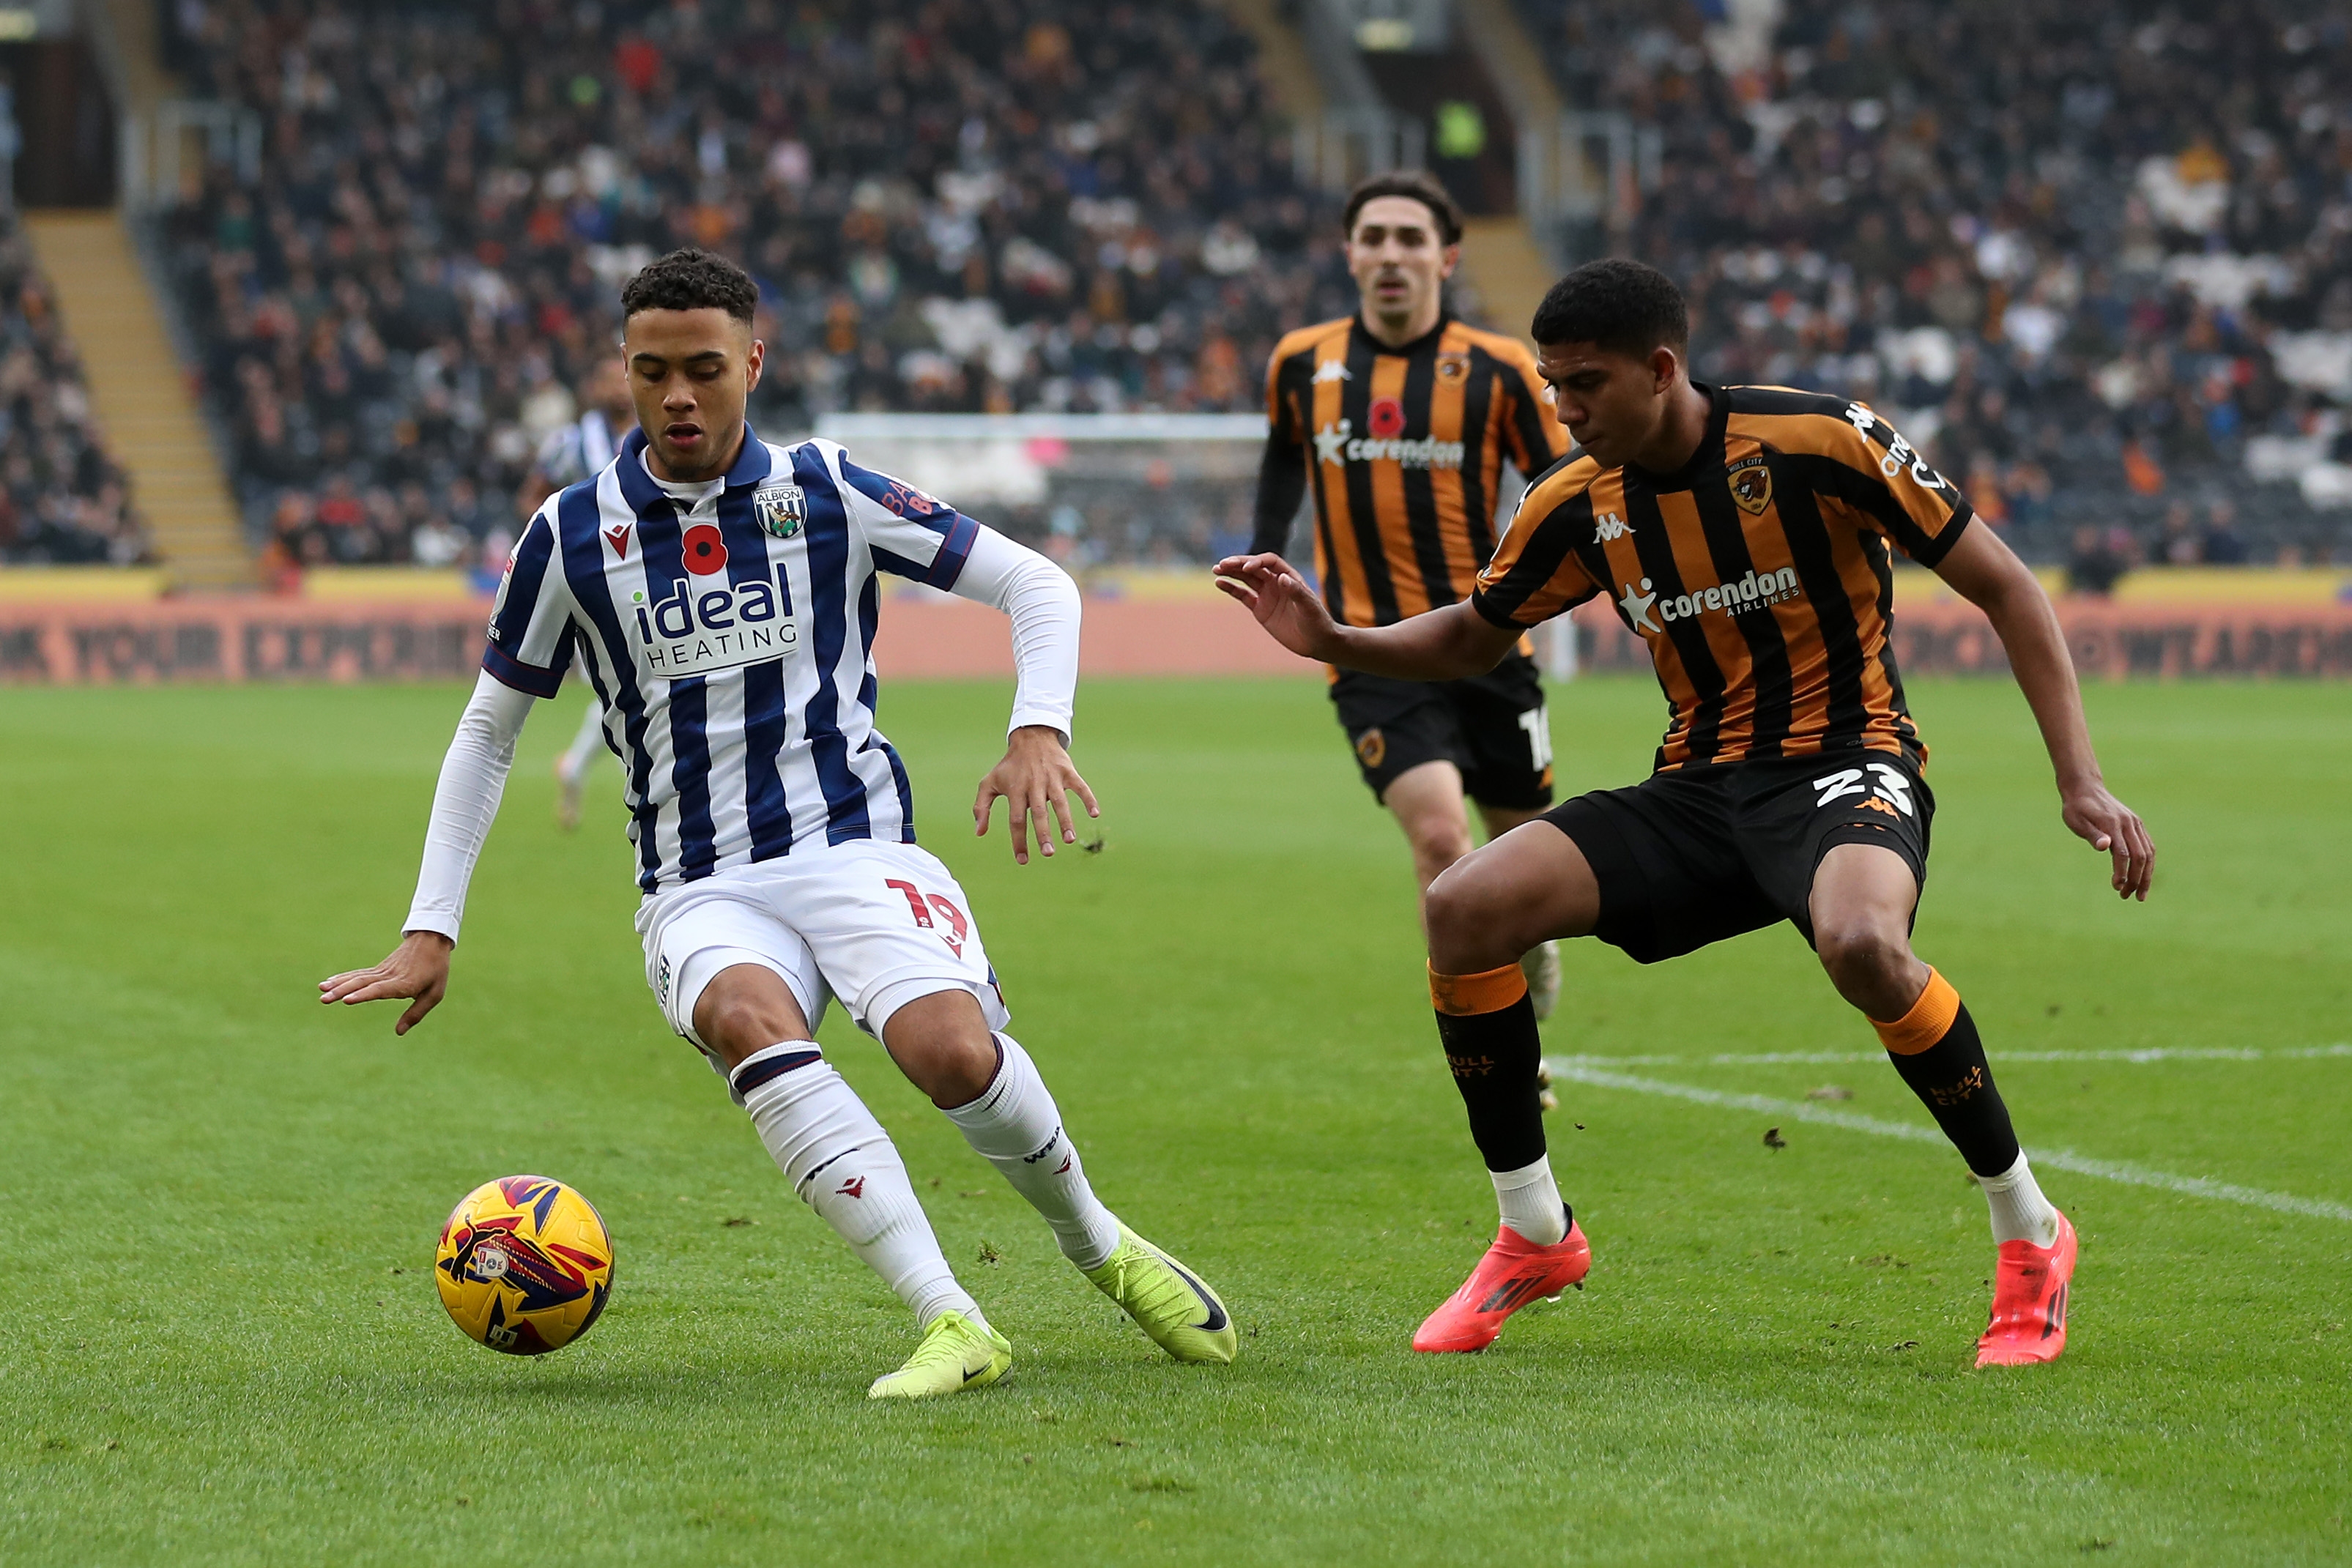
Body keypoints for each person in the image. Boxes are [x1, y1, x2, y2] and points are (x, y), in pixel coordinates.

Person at [322, 248, 1237, 1397]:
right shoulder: (567, 535)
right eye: (651, 372)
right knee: (746, 1019)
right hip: (697, 886)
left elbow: (1036, 584)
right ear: (623, 370)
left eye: (704, 369)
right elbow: (487, 730)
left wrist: (1036, 729)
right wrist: (431, 923)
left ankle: (1096, 1243)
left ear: (754, 361)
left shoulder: (826, 488)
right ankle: (951, 1319)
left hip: (856, 848)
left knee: (949, 1054)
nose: (678, 398)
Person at [1217, 259, 2153, 1367]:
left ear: (1660, 369)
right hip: (1697, 790)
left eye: (1583, 385)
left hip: (1844, 764)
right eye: (1552, 385)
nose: (1561, 409)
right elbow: (1476, 631)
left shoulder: (1821, 441)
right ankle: (1531, 1232)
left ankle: (2027, 1228)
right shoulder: (1576, 499)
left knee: (1860, 942)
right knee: (1463, 905)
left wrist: (2078, 777)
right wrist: (1335, 642)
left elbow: (2006, 587)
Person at [1252, 171, 1573, 1014]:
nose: (1391, 254)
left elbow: (1559, 485)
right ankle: (1506, 1049)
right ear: (1350, 254)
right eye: (1375, 237)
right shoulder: (1300, 361)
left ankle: (1528, 964)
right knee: (1439, 838)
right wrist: (1264, 549)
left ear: (1447, 256)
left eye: (1410, 238)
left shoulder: (1502, 369)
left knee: (1523, 852)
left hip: (1489, 644)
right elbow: (1286, 453)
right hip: (1368, 651)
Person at [517, 358, 639, 831]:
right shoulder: (569, 443)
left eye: (622, 378)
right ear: (594, 388)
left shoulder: (655, 436)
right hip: (588, 583)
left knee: (626, 689)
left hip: (647, 579)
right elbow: (532, 497)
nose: (616, 388)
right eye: (606, 379)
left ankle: (577, 767)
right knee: (619, 686)